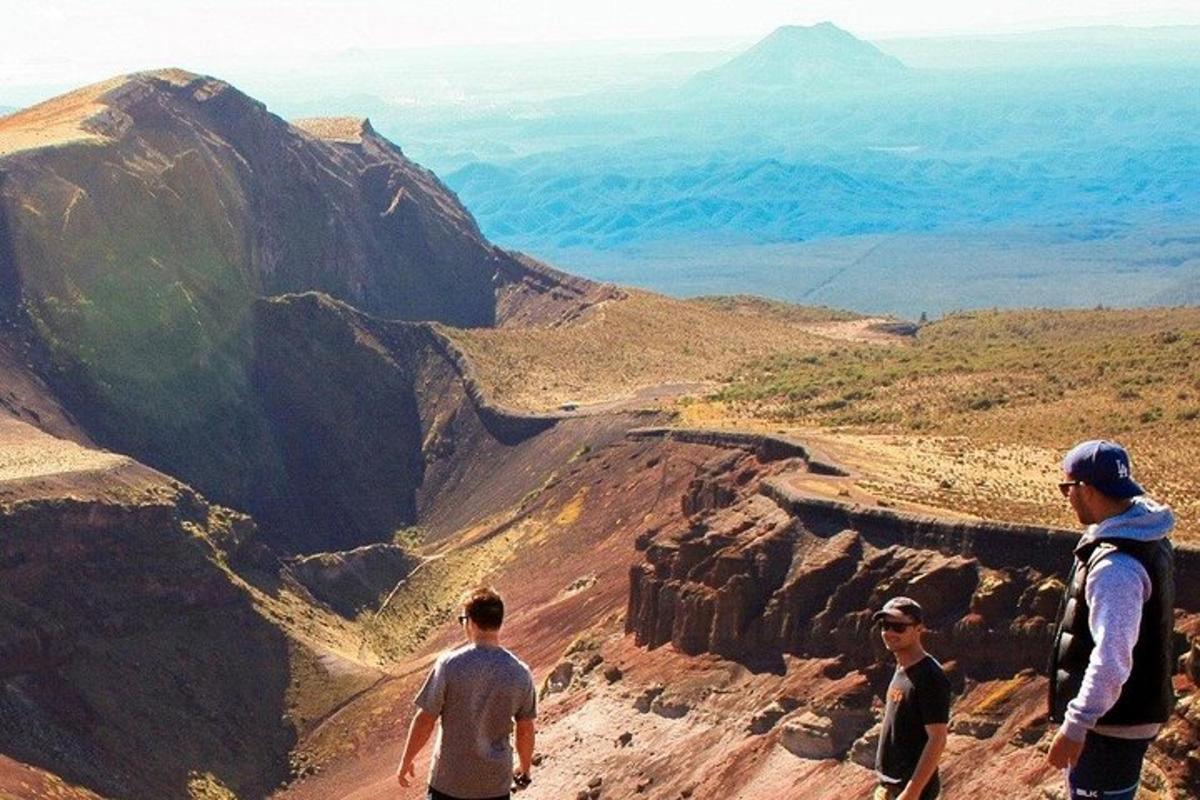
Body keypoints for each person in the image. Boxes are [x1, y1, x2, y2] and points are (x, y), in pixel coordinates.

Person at [1047, 440, 1175, 800]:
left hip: (1110, 726)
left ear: (1085, 489)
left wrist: (1077, 725)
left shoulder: (1115, 566)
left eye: (1066, 488)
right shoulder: (1145, 534)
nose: (1066, 498)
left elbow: (1112, 657)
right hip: (1125, 717)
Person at [397, 586, 537, 800]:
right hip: (494, 785)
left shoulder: (449, 665)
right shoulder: (521, 673)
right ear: (498, 622)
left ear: (470, 621)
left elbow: (426, 719)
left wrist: (406, 761)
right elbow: (525, 729)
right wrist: (525, 767)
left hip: (448, 782)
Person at [872, 597, 951, 800]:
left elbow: (937, 738)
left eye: (898, 626)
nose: (889, 632)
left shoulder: (929, 676)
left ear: (918, 628)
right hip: (890, 787)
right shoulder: (901, 669)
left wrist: (911, 792)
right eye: (885, 625)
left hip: (909, 791)